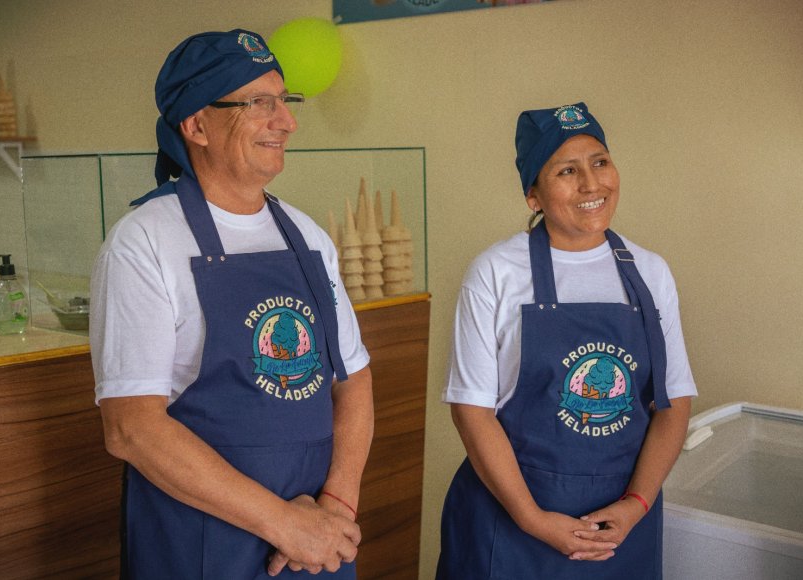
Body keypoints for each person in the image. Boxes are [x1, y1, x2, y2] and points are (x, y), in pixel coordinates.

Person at [89, 29, 374, 579]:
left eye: (285, 100)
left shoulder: (307, 235)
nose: (286, 120)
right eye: (258, 103)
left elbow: (354, 379)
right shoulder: (144, 241)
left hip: (317, 541)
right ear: (196, 125)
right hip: (202, 543)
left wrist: (337, 505)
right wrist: (283, 524)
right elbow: (131, 428)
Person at [436, 102, 697, 579]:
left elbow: (673, 403)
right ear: (533, 195)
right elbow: (471, 411)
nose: (592, 183)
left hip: (620, 527)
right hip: (512, 520)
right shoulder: (495, 273)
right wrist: (531, 518)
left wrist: (635, 505)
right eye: (567, 170)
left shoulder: (650, 272)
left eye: (600, 162)